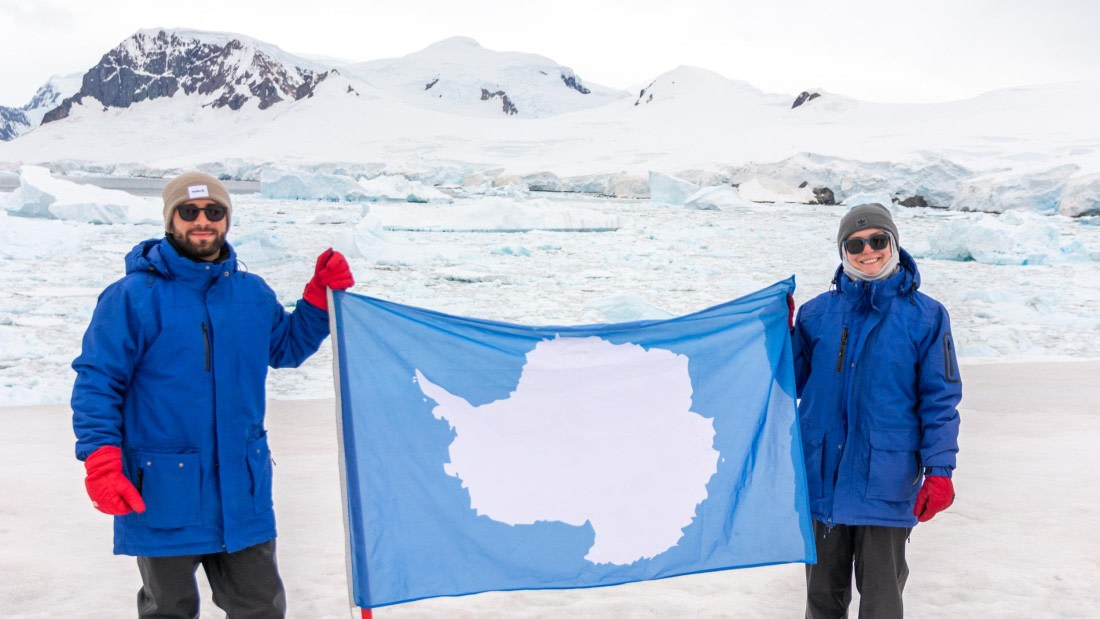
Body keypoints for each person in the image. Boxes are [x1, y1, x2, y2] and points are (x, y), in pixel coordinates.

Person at [71, 171, 354, 618]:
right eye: (189, 211)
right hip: (163, 489)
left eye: (214, 212)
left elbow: (286, 348)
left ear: (226, 220)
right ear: (170, 221)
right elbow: (97, 382)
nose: (202, 221)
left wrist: (318, 299)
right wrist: (101, 459)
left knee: (261, 608)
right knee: (169, 611)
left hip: (242, 490)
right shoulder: (131, 298)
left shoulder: (251, 292)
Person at [791, 203, 961, 618]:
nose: (868, 251)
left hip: (885, 481)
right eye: (855, 243)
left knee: (882, 601)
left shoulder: (926, 317)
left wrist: (940, 471)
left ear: (894, 243)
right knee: (821, 599)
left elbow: (940, 400)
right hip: (822, 480)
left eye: (878, 240)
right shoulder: (817, 314)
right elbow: (788, 382)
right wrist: (778, 333)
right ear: (843, 251)